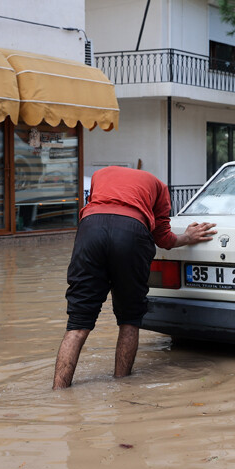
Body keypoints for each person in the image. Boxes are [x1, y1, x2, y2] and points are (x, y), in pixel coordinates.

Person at [53, 166, 216, 389]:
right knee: (129, 319)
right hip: (132, 231)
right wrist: (187, 237)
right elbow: (163, 239)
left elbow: (98, 208)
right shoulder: (160, 188)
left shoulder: (101, 175)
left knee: (78, 323)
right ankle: (122, 389)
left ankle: (59, 391)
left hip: (90, 229)